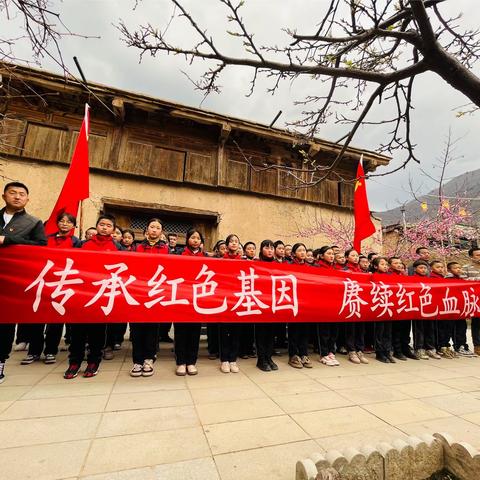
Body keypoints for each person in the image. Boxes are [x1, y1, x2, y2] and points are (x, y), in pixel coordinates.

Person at [64, 214, 123, 379]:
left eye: (108, 225)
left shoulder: (118, 247)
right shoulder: (83, 245)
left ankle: (93, 361)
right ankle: (74, 362)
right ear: (97, 226)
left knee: (97, 332)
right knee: (77, 332)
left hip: (102, 295)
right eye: (101, 224)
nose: (104, 227)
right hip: (82, 294)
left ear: (113, 229)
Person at [0, 182, 47, 384]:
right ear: (4, 196)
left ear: (27, 199)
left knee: (4, 323)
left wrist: (9, 241)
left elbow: (40, 246)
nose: (17, 197)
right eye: (13, 193)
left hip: (12, 281)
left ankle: (1, 360)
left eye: (22, 194)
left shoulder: (33, 222)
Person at [21, 212, 81, 366]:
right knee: (37, 319)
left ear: (74, 226)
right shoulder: (45, 240)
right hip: (43, 283)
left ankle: (50, 351)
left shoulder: (77, 243)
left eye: (69, 222)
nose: (65, 224)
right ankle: (34, 351)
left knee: (55, 322)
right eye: (62, 221)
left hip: (62, 285)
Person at [129, 218, 169, 378]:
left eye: (158, 228)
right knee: (137, 329)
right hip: (138, 294)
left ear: (161, 232)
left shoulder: (166, 250)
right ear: (146, 230)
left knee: (152, 329)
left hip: (156, 294)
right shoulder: (137, 248)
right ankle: (137, 361)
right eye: (152, 227)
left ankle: (149, 359)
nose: (154, 230)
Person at [174, 229, 205, 376]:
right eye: (192, 237)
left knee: (194, 332)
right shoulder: (178, 254)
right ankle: (180, 362)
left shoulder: (205, 257)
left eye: (198, 238)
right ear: (187, 239)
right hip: (181, 298)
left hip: (197, 300)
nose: (195, 240)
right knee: (180, 332)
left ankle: (192, 362)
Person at [219, 234, 242, 373]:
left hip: (238, 301)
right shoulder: (221, 261)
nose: (233, 244)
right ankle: (224, 360)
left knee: (236, 332)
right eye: (231, 242)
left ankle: (233, 359)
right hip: (225, 301)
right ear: (227, 245)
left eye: (236, 242)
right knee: (224, 332)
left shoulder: (244, 261)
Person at [287, 243, 313, 369]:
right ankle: (293, 355)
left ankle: (304, 354)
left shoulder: (310, 267)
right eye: (299, 250)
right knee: (294, 330)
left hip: (306, 303)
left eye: (304, 250)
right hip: (294, 302)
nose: (302, 252)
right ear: (293, 253)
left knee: (305, 331)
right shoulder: (289, 266)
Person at [255, 240, 278, 372]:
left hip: (274, 303)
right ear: (261, 250)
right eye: (267, 248)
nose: (270, 250)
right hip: (261, 303)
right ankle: (261, 359)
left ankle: (269, 357)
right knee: (261, 332)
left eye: (272, 248)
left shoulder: (278, 265)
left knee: (271, 332)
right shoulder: (257, 264)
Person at [343, 249, 369, 365]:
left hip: (361, 303)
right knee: (350, 329)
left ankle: (360, 350)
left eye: (357, 255)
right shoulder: (344, 270)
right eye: (353, 255)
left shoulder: (363, 271)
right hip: (350, 302)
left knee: (361, 329)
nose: (356, 257)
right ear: (347, 257)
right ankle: (351, 350)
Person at [411, 259, 440, 360]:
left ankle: (430, 348)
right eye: (421, 268)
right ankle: (419, 348)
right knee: (419, 329)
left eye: (425, 268)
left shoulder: (430, 279)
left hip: (430, 307)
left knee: (430, 329)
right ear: (415, 269)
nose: (423, 270)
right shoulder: (411, 279)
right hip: (418, 308)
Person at [389, 256, 416, 361]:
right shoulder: (388, 275)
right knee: (397, 329)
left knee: (406, 329)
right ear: (390, 265)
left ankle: (406, 348)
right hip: (396, 306)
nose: (399, 265)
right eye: (395, 263)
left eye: (400, 263)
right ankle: (397, 350)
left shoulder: (405, 275)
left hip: (406, 305)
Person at [316, 246, 339, 366]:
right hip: (322, 304)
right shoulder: (316, 267)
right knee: (324, 331)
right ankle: (323, 353)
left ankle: (331, 352)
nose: (331, 256)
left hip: (334, 304)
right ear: (321, 255)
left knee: (333, 330)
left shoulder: (335, 268)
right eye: (328, 253)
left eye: (332, 254)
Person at [447, 261, 476, 357]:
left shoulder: (462, 279)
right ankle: (458, 346)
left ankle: (463, 346)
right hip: (452, 308)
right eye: (455, 268)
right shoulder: (448, 279)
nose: (458, 270)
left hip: (461, 308)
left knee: (462, 327)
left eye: (459, 268)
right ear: (449, 270)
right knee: (455, 328)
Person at [371, 257, 395, 363]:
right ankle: (379, 353)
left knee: (388, 332)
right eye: (382, 264)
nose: (385, 266)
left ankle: (387, 351)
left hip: (389, 307)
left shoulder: (390, 277)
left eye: (386, 264)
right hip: (378, 308)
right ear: (376, 266)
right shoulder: (372, 277)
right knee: (379, 332)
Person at [206, 240, 227, 359]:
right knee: (212, 326)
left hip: (225, 298)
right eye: (222, 248)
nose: (224, 250)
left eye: (226, 248)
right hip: (213, 297)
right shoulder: (212, 261)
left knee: (223, 328)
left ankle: (222, 350)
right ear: (217, 250)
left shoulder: (232, 261)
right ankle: (213, 349)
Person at [463, 247, 480, 356]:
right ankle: (477, 346)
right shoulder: (466, 268)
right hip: (475, 300)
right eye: (477, 255)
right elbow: (462, 280)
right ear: (471, 257)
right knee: (477, 324)